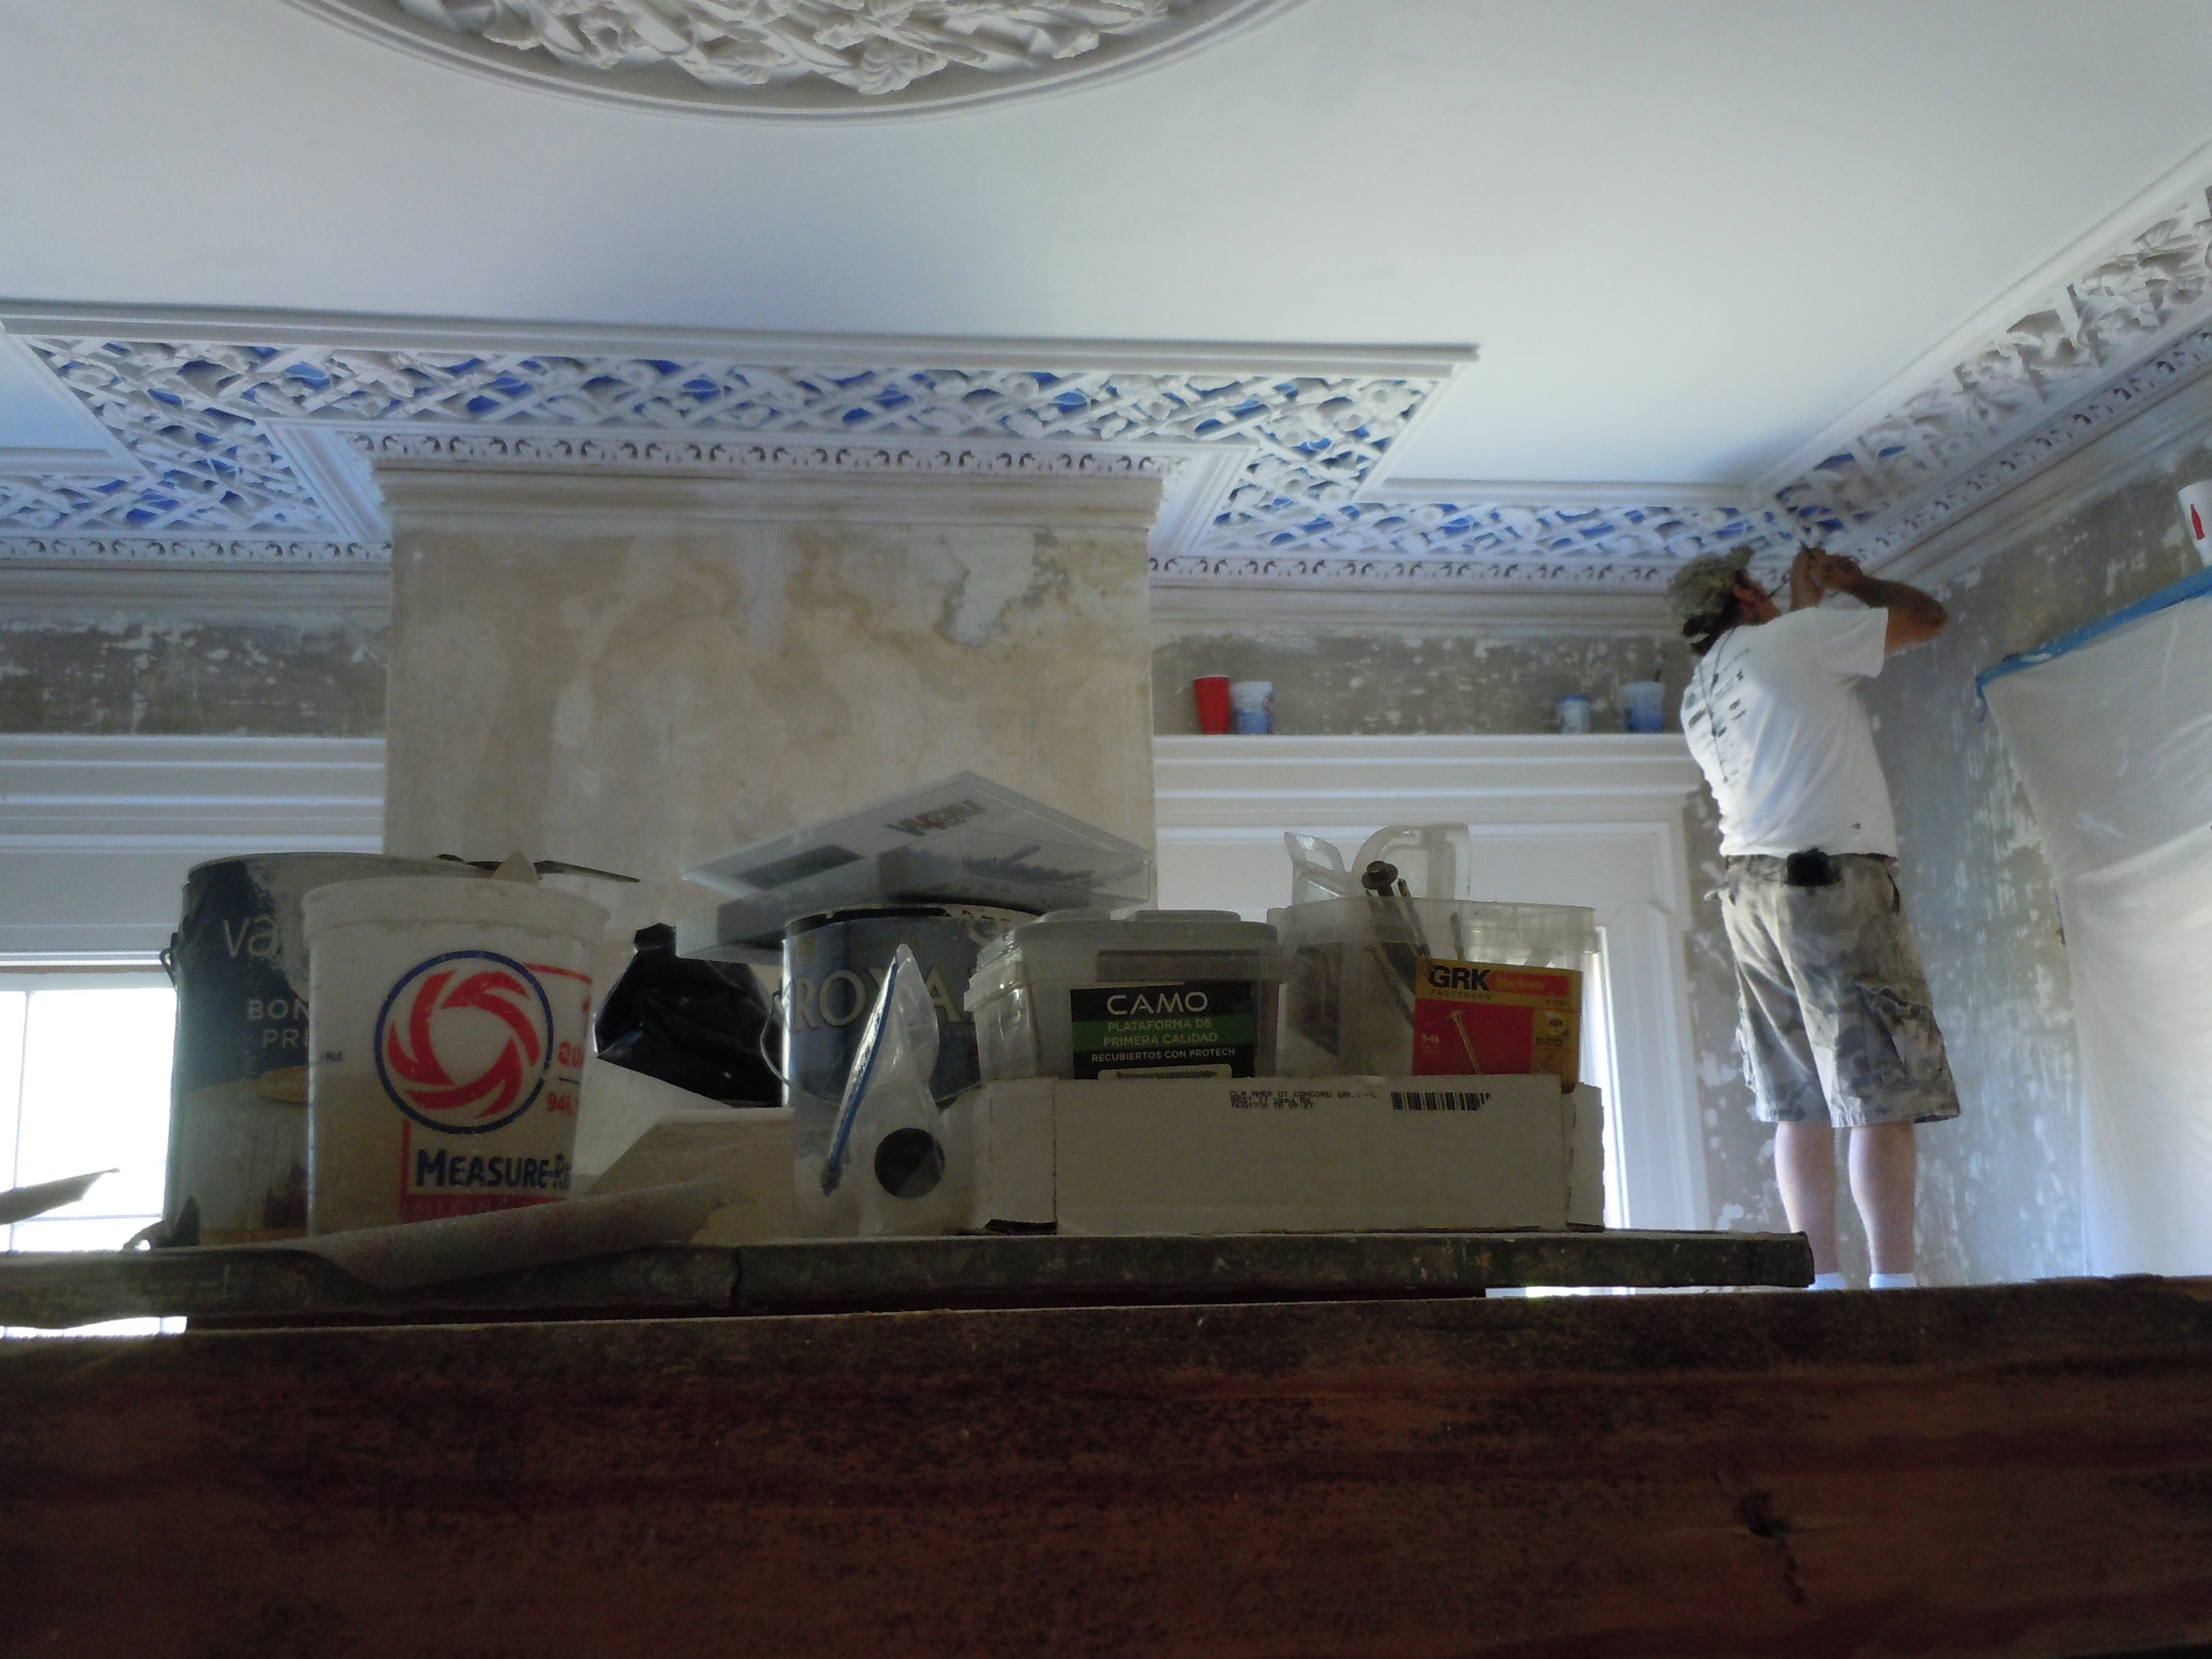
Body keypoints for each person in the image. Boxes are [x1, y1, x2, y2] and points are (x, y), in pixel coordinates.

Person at [1671, 543, 1960, 1290]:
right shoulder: (1797, 640)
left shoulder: (1701, 691)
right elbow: (1928, 620)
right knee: (1877, 1090)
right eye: (1757, 584)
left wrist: (1804, 606)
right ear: (1741, 592)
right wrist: (1852, 586)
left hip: (1753, 898)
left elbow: (1795, 676)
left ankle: (1823, 1285)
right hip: (1830, 886)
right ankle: (1895, 1288)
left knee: (1799, 1101)